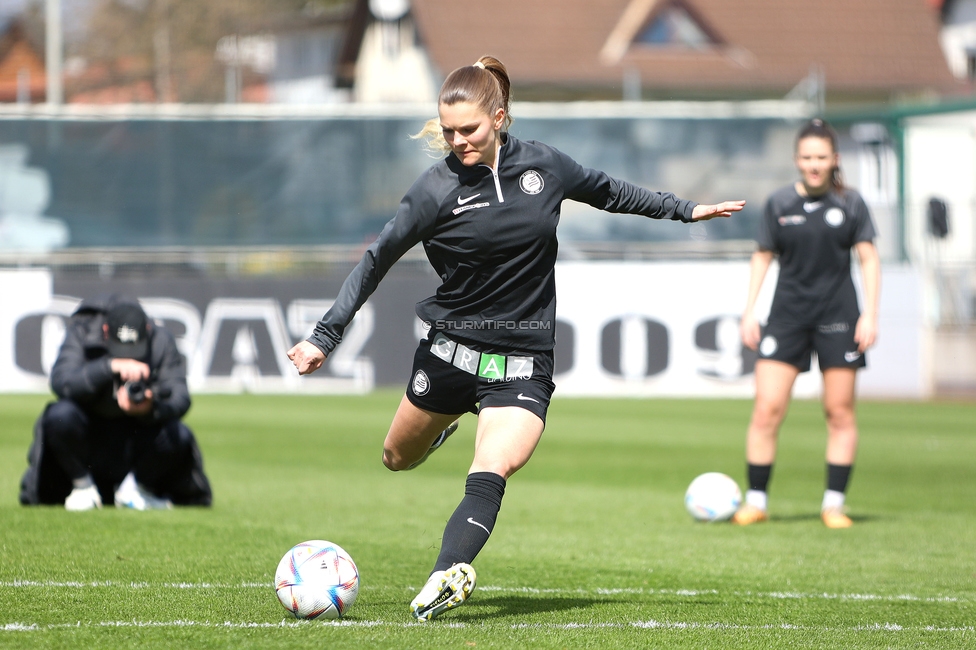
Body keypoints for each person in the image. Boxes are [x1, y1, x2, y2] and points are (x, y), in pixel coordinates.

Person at [287, 55, 745, 621]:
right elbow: (377, 260)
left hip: (524, 359)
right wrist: (323, 337)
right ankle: (443, 424)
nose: (457, 141)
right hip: (450, 351)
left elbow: (610, 191)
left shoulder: (544, 167)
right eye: (448, 131)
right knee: (395, 457)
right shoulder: (433, 191)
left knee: (491, 469)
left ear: (499, 117)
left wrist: (686, 210)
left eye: (469, 129)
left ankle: (445, 574)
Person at [732, 118, 880, 529]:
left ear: (834, 159)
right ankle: (756, 501)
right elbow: (762, 256)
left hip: (839, 317)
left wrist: (870, 313)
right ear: (797, 160)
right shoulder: (779, 204)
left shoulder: (852, 204)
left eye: (821, 157)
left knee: (838, 412)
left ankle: (834, 505)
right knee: (767, 410)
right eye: (807, 157)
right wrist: (750, 310)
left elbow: (869, 258)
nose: (814, 164)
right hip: (787, 317)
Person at [19, 294, 212, 511]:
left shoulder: (162, 341)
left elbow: (181, 398)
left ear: (147, 330)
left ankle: (136, 489)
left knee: (179, 432)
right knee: (59, 415)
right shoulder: (81, 331)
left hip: (137, 438)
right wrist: (108, 367)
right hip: (89, 437)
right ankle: (82, 486)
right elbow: (62, 382)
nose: (128, 357)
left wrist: (150, 408)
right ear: (105, 331)